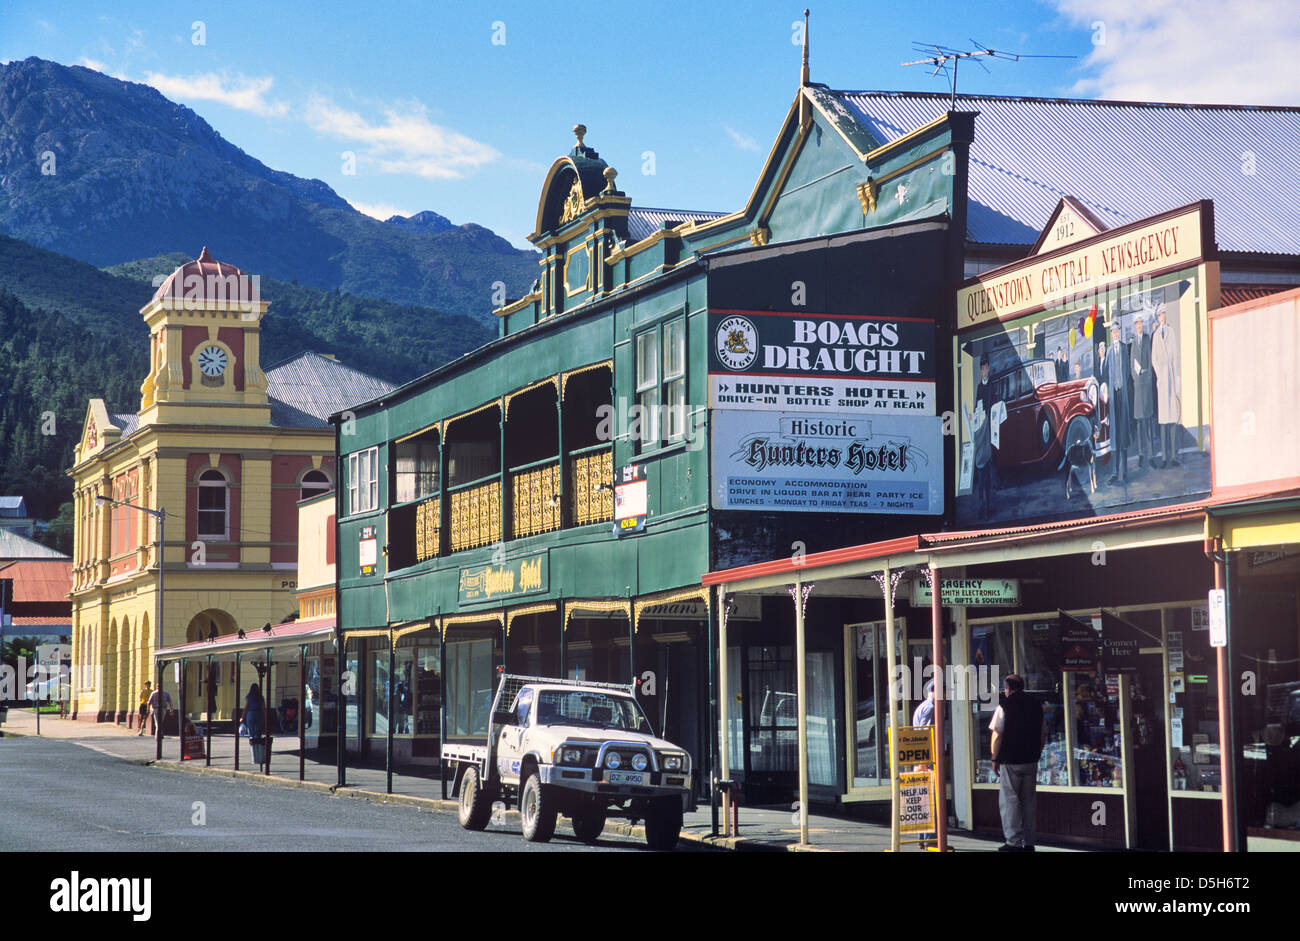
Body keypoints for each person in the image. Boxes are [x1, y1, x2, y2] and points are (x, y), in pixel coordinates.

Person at [989, 674, 1045, 851]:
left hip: (1010, 760)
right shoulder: (1037, 705)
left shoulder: (1004, 706)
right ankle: (1029, 843)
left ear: (1007, 688)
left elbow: (997, 735)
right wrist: (1037, 752)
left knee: (1010, 801)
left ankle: (1013, 842)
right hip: (1031, 760)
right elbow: (1043, 734)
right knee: (1029, 802)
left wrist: (994, 758)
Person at [1150, 304, 1181, 467]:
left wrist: (1175, 377)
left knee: (1172, 419)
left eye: (1164, 314)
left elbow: (1175, 355)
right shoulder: (1156, 336)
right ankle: (1163, 457)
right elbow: (1153, 358)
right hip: (1162, 380)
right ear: (1157, 317)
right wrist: (1159, 374)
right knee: (1163, 420)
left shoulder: (1171, 332)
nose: (1163, 317)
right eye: (1160, 314)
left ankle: (1174, 456)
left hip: (1171, 377)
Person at [1130, 313, 1158, 468]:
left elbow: (1151, 358)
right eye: (1137, 324)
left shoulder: (1147, 339)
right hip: (1138, 388)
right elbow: (1131, 364)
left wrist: (1146, 376)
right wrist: (1136, 377)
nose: (1139, 325)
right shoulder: (1134, 342)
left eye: (1141, 323)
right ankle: (1141, 455)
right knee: (1140, 423)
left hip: (1146, 386)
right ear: (1135, 326)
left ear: (1143, 324)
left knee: (1148, 423)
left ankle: (1151, 455)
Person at [1105, 322, 1131, 484]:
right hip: (1113, 397)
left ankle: (1125, 472)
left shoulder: (1123, 348)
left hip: (1123, 394)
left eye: (1117, 332)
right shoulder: (1108, 351)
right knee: (1115, 435)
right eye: (1113, 332)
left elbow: (1127, 370)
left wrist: (1122, 385)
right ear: (1111, 334)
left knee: (1123, 433)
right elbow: (1107, 372)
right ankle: (1114, 473)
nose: (1115, 334)